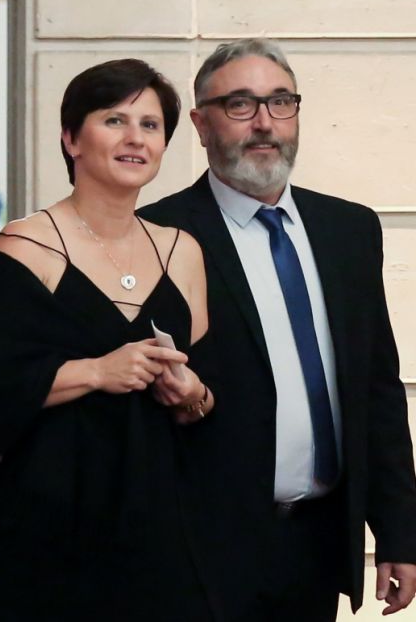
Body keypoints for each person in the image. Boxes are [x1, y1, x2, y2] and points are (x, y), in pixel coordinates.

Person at [139, 38, 416, 620]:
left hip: (316, 545)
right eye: (240, 105)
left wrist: (398, 533)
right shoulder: (156, 237)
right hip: (197, 554)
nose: (264, 123)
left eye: (280, 102)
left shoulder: (349, 229)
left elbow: (377, 391)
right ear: (200, 123)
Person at [0, 59, 215, 621]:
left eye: (150, 125)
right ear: (72, 138)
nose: (134, 139)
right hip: (52, 520)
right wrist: (98, 371)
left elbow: (214, 399)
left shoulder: (182, 250)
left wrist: (190, 392)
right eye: (114, 120)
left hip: (162, 519)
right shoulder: (23, 246)